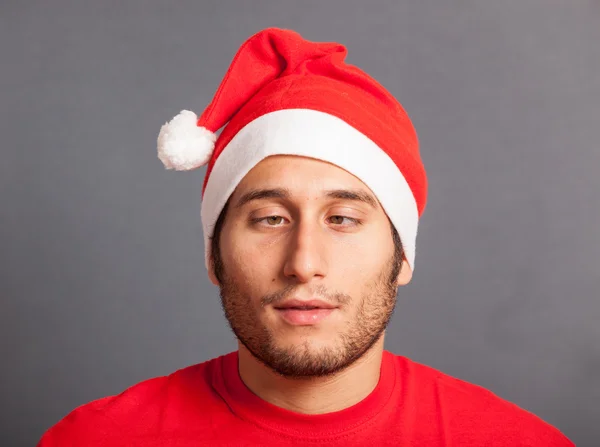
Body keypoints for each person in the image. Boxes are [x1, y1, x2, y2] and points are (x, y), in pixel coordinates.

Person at [38, 27, 574, 446]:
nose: (304, 262)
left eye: (342, 218)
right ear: (214, 255)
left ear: (403, 255)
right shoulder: (93, 440)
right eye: (270, 218)